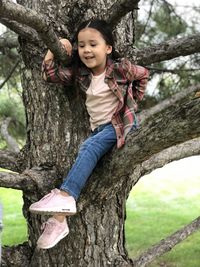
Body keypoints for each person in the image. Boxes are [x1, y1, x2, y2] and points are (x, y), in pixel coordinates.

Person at [29, 19, 149, 249]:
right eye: (81, 45)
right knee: (85, 163)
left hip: (120, 126)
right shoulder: (82, 74)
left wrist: (133, 103)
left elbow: (143, 74)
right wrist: (59, 45)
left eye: (93, 44)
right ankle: (59, 221)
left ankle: (64, 197)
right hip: (100, 130)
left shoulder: (121, 68)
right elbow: (49, 75)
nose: (86, 50)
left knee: (88, 149)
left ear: (108, 48)